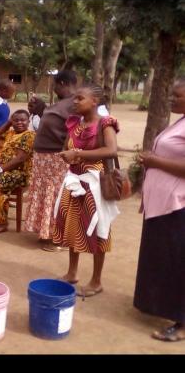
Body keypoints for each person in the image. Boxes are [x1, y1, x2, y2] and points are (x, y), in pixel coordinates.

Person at [53, 84, 120, 297]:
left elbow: (111, 150)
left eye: (80, 98)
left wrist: (78, 154)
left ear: (94, 102)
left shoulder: (105, 124)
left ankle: (96, 280)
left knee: (99, 229)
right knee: (73, 225)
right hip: (75, 182)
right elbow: (68, 147)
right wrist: (68, 154)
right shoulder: (75, 123)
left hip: (94, 183)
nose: (75, 102)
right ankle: (72, 272)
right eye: (74, 98)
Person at [133, 77, 185, 342]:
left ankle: (182, 323)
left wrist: (156, 161)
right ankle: (158, 304)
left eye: (177, 96)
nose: (172, 100)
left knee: (178, 262)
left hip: (178, 204)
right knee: (162, 259)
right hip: (162, 204)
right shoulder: (180, 122)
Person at [23, 70, 77, 251]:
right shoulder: (62, 103)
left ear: (62, 83)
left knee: (55, 196)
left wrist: (65, 151)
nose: (54, 88)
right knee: (45, 195)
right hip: (44, 158)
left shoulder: (74, 103)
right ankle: (46, 233)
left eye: (55, 84)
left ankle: (57, 237)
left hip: (56, 158)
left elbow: (72, 130)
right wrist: (42, 108)